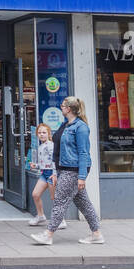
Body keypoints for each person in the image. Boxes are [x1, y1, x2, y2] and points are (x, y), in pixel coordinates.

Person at [34, 96, 103, 245]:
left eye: (63, 105)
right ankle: (96, 234)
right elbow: (57, 149)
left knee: (59, 201)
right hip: (63, 168)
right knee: (83, 203)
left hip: (73, 170)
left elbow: (84, 153)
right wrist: (54, 170)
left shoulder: (81, 127)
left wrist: (82, 177)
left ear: (69, 109)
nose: (61, 106)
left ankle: (48, 234)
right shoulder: (65, 125)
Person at [26, 122, 67, 235]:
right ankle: (40, 216)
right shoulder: (40, 147)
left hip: (51, 174)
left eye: (44, 132)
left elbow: (54, 161)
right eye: (39, 132)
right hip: (44, 173)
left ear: (49, 133)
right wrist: (36, 165)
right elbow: (44, 162)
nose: (41, 134)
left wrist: (54, 174)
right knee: (35, 194)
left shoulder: (50, 145)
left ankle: (61, 220)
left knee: (55, 198)